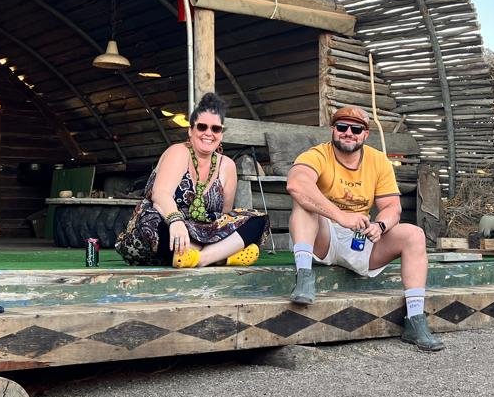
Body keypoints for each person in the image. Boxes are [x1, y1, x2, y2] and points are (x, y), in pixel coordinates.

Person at [285, 106, 443, 352]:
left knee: (414, 234)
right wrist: (340, 216)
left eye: (356, 129)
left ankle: (415, 319)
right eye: (342, 127)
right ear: (333, 130)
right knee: (304, 205)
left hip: (361, 238)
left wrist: (381, 225)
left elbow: (392, 206)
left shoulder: (378, 160)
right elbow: (296, 183)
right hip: (323, 236)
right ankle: (304, 277)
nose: (349, 132)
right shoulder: (317, 154)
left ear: (365, 134)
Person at [116, 92, 268, 268]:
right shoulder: (179, 152)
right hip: (167, 226)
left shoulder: (227, 166)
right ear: (190, 130)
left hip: (202, 231)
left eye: (215, 128)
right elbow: (160, 195)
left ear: (221, 134)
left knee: (257, 220)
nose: (208, 133)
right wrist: (176, 220)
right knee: (154, 224)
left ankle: (197, 258)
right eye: (202, 127)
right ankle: (220, 257)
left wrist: (219, 233)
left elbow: (224, 216)